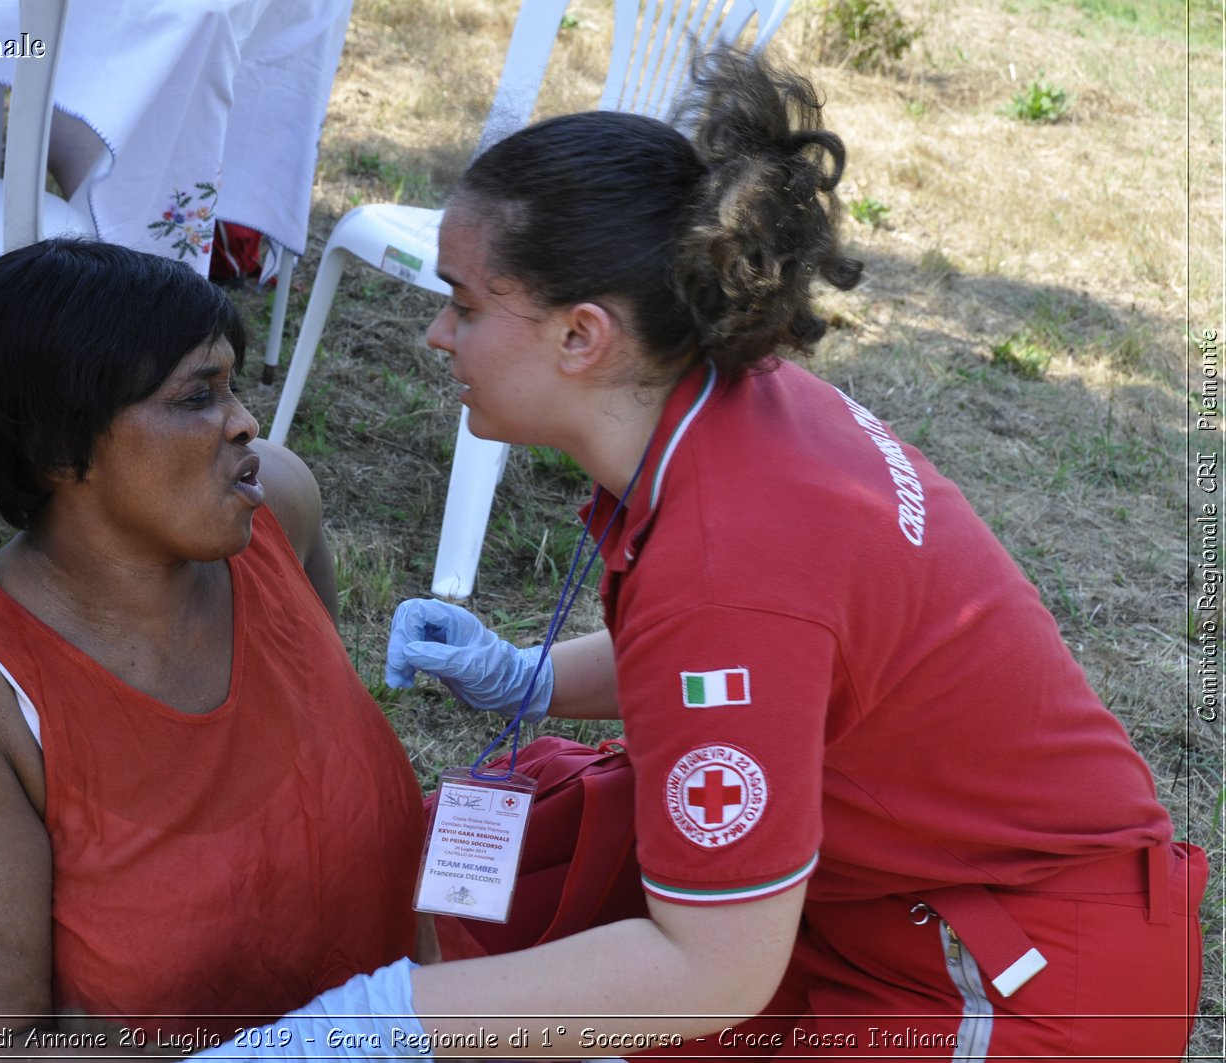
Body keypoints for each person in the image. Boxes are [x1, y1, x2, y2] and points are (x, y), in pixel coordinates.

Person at [190, 45, 1205, 1061]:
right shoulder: (729, 407)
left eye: (462, 302)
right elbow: (761, 673)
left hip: (1013, 984)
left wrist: (373, 1024)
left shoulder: (729, 571)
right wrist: (529, 675)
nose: (433, 335)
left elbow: (710, 966)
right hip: (896, 909)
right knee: (523, 890)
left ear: (581, 336)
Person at [0, 238, 429, 1052]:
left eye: (233, 386)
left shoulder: (280, 510)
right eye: (197, 397)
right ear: (59, 447)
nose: (243, 423)